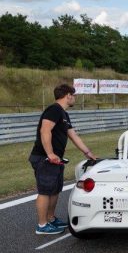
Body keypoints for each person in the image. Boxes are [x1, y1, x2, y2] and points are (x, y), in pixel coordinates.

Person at [29, 84, 97, 235]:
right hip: (44, 158)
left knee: (54, 190)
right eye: (74, 95)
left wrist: (87, 152)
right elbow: (45, 130)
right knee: (45, 191)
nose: (75, 98)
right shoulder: (54, 110)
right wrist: (50, 153)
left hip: (55, 158)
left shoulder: (63, 113)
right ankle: (42, 225)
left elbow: (73, 135)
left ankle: (51, 219)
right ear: (68, 95)